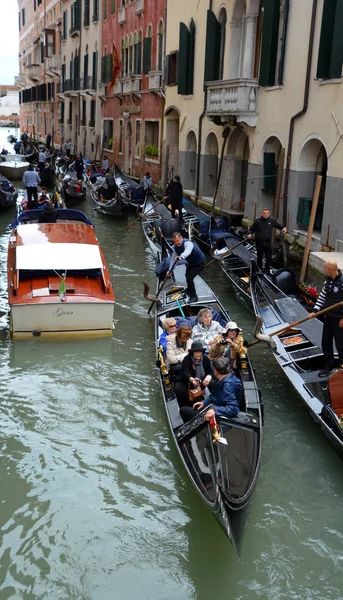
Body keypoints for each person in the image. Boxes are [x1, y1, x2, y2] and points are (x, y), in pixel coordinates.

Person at [180, 356, 242, 423]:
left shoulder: (228, 386)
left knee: (183, 410)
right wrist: (204, 402)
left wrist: (214, 410)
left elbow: (233, 409)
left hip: (218, 414)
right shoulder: (223, 378)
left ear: (216, 371)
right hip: (213, 406)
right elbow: (213, 395)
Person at [308, 260, 343, 376]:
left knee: (340, 344)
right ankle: (328, 365)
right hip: (328, 317)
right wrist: (314, 311)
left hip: (339, 320)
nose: (324, 271)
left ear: (331, 270)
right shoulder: (327, 281)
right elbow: (322, 297)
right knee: (326, 342)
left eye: (325, 269)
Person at [167, 232, 205, 303]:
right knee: (186, 275)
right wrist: (170, 270)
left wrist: (180, 257)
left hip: (200, 263)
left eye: (178, 241)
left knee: (189, 278)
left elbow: (187, 251)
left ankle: (194, 296)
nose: (177, 243)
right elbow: (173, 259)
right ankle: (189, 289)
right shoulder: (174, 248)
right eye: (175, 242)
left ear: (181, 238)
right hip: (191, 263)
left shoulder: (187, 243)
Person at [247, 208, 287, 273]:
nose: (265, 215)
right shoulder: (257, 221)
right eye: (264, 213)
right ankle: (259, 270)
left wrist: (284, 227)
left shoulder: (272, 221)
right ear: (262, 214)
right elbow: (251, 229)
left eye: (267, 213)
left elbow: (279, 225)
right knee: (259, 257)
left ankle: (267, 270)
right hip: (259, 242)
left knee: (269, 257)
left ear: (269, 214)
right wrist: (249, 234)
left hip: (268, 242)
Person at [174, 341, 213, 408]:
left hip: (202, 380)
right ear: (192, 353)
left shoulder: (206, 359)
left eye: (200, 352)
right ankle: (184, 406)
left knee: (213, 383)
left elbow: (210, 371)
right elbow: (185, 372)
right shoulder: (187, 359)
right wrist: (192, 379)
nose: (198, 354)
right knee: (179, 389)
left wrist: (208, 377)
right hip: (187, 380)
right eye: (196, 352)